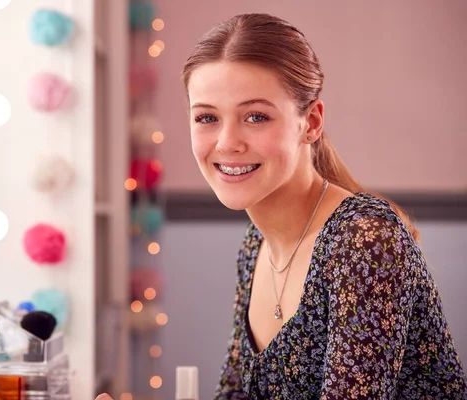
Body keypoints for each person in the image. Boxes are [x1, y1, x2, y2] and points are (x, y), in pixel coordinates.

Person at [96, 13, 467, 400]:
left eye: (256, 116)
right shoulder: (255, 245)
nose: (226, 143)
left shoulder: (365, 239)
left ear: (311, 122)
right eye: (207, 117)